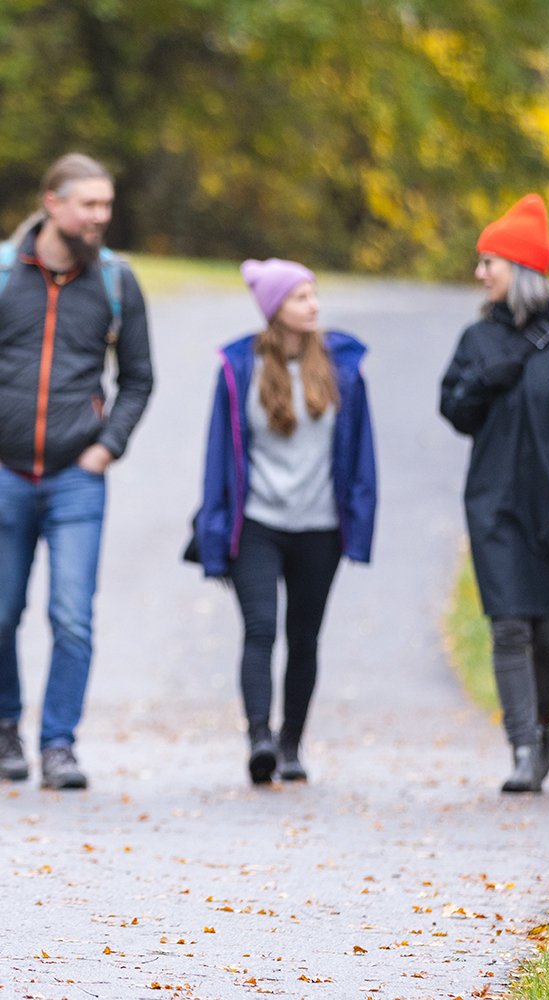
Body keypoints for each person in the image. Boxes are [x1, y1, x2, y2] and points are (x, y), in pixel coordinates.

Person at [0, 153, 155, 790]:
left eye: (106, 206)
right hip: (5, 475)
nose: (100, 216)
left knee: (72, 617)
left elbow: (139, 379)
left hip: (76, 480)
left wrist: (105, 449)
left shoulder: (117, 282)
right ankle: (5, 728)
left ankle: (59, 744)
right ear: (52, 202)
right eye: (89, 204)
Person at [439, 194, 549, 793]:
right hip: (495, 505)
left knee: (548, 633)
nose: (479, 273)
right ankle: (520, 749)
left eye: (488, 262)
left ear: (517, 268)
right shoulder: (478, 339)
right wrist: (486, 378)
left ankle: (544, 731)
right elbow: (454, 410)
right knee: (509, 626)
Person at [192, 260, 376, 785]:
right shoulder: (239, 368)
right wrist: (214, 531)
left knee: (305, 635)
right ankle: (260, 740)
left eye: (314, 295)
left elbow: (361, 453)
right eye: (300, 298)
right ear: (275, 309)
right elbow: (217, 458)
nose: (313, 306)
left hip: (320, 526)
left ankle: (292, 743)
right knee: (260, 628)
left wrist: (359, 525)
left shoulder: (343, 368)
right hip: (257, 523)